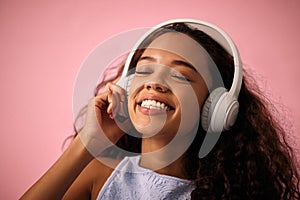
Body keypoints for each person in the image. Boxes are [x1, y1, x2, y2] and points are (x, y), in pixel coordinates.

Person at [21, 19, 300, 200]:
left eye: (180, 75)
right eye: (144, 70)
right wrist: (88, 143)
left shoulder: (230, 194)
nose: (155, 83)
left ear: (216, 108)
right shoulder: (99, 177)